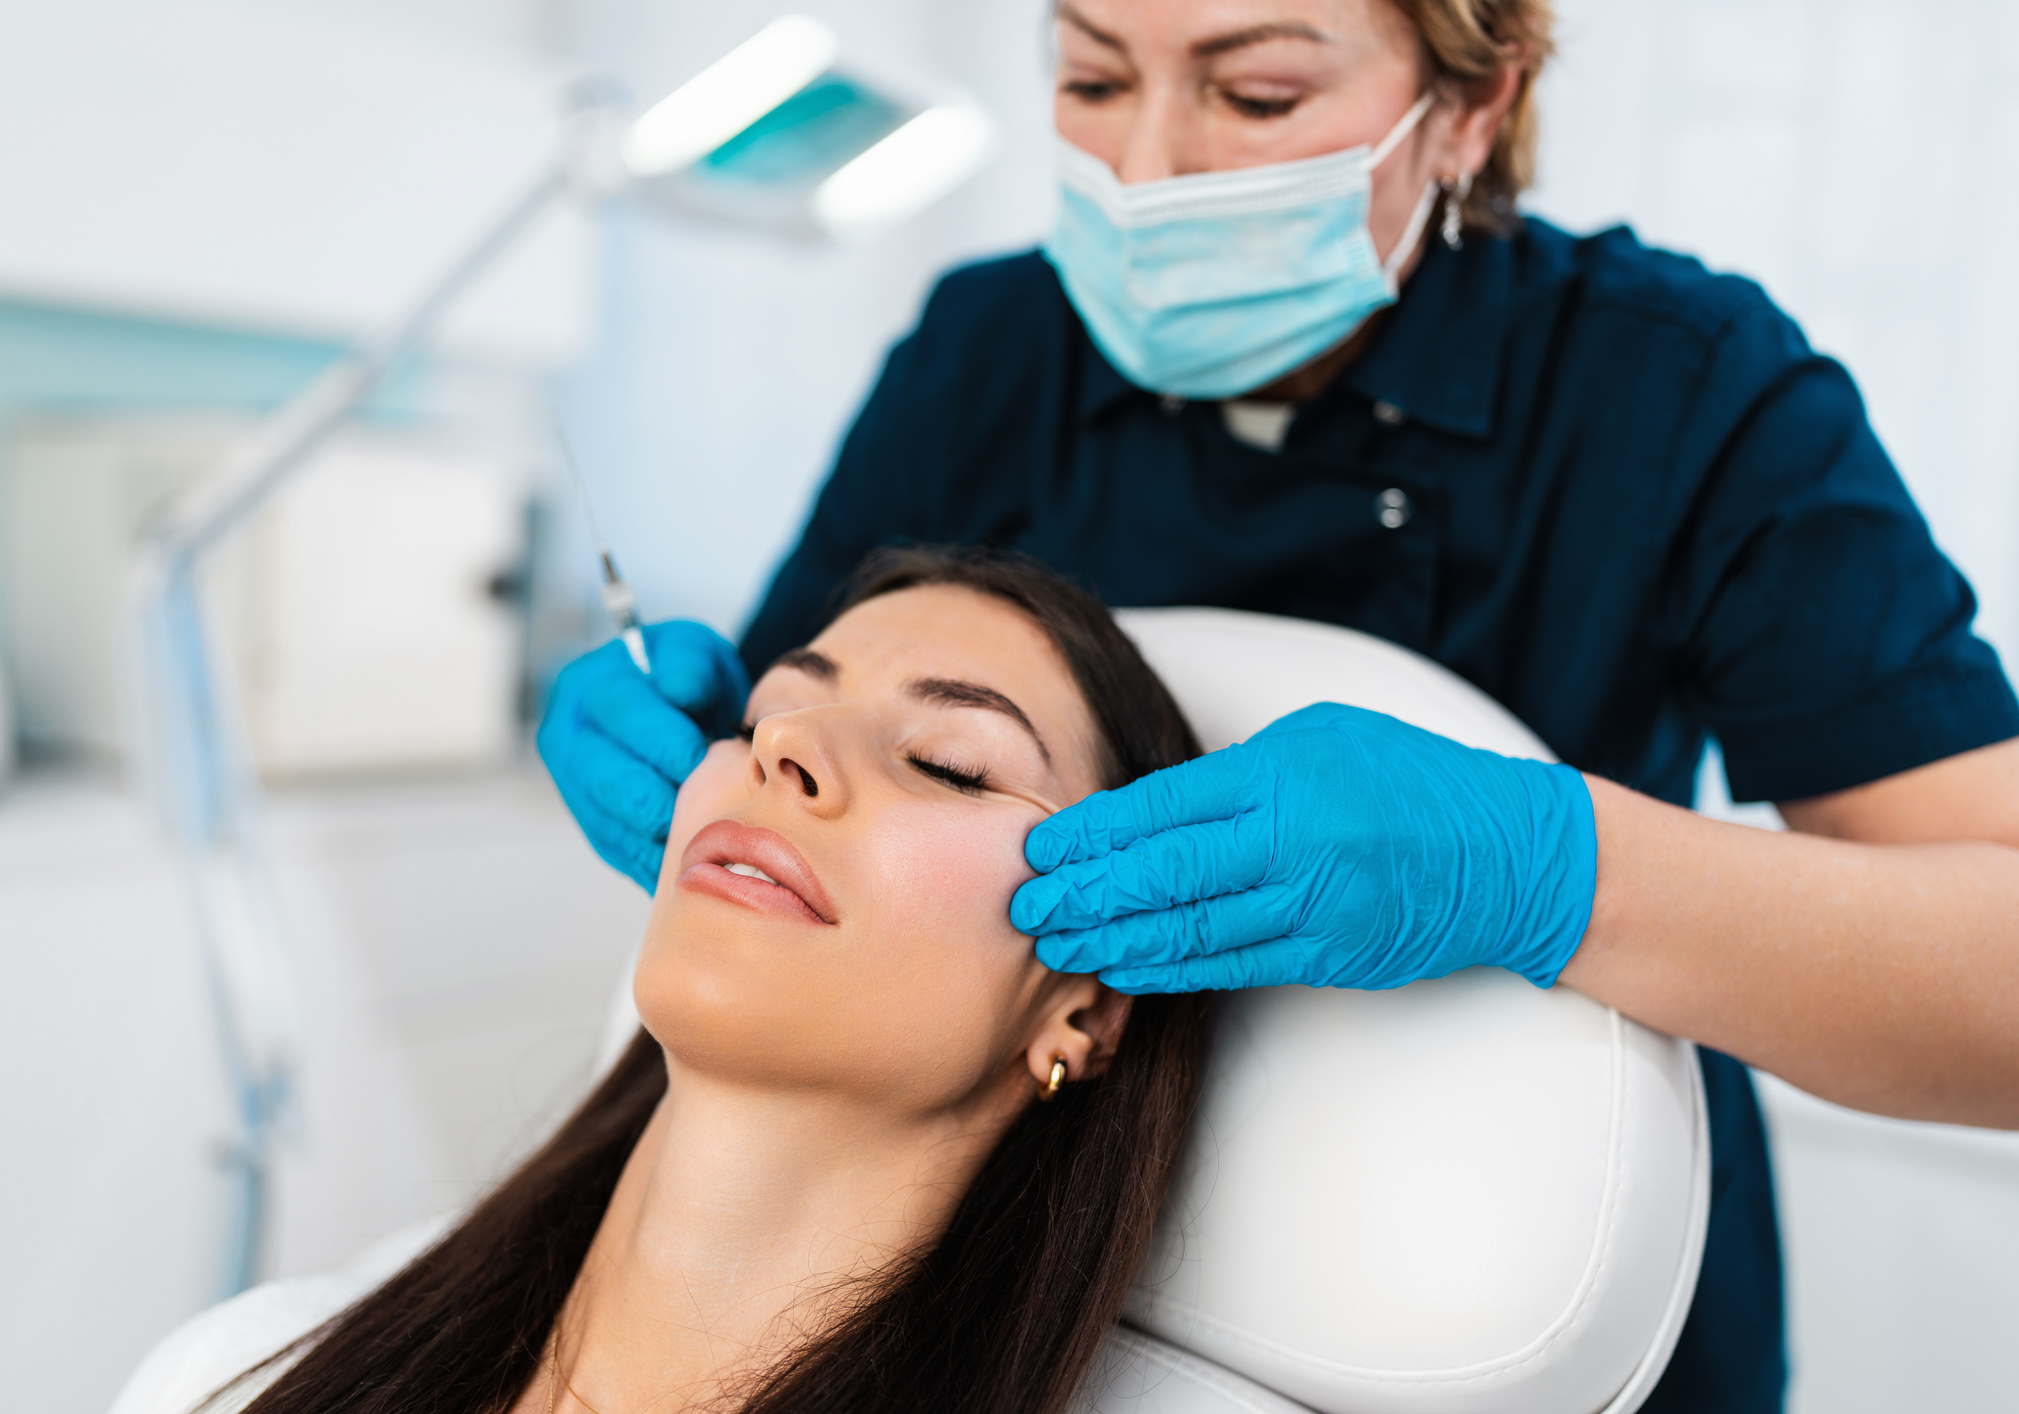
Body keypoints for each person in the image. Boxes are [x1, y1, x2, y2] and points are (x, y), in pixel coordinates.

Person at [535, 1, 2019, 1409]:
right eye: (1093, 76)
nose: (1145, 170)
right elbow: (811, 758)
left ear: (1470, 100)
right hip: (1010, 1306)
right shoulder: (987, 354)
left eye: (1254, 94)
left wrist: (1553, 871)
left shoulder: (1677, 391)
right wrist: (715, 734)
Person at [111, 547, 1213, 1414]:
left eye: (947, 762)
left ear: (1084, 1007)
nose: (782, 751)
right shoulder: (230, 1376)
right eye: (757, 715)